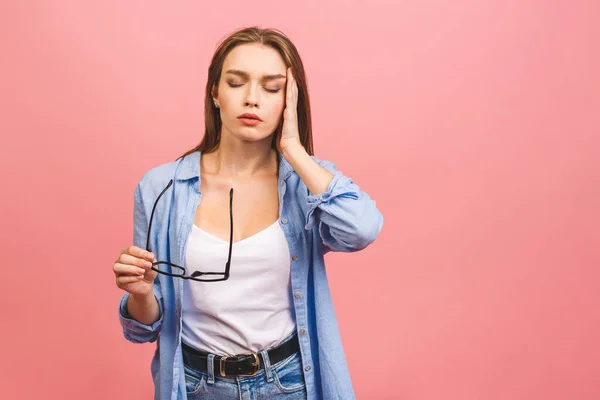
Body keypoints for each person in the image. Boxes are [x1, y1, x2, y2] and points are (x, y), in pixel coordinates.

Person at [113, 26, 384, 400]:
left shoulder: (304, 183)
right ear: (215, 93)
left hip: (288, 382)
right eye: (237, 82)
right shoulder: (161, 187)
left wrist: (293, 148)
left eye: (272, 88)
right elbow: (142, 329)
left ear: (290, 101)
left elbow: (362, 229)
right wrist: (141, 293)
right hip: (196, 384)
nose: (252, 99)